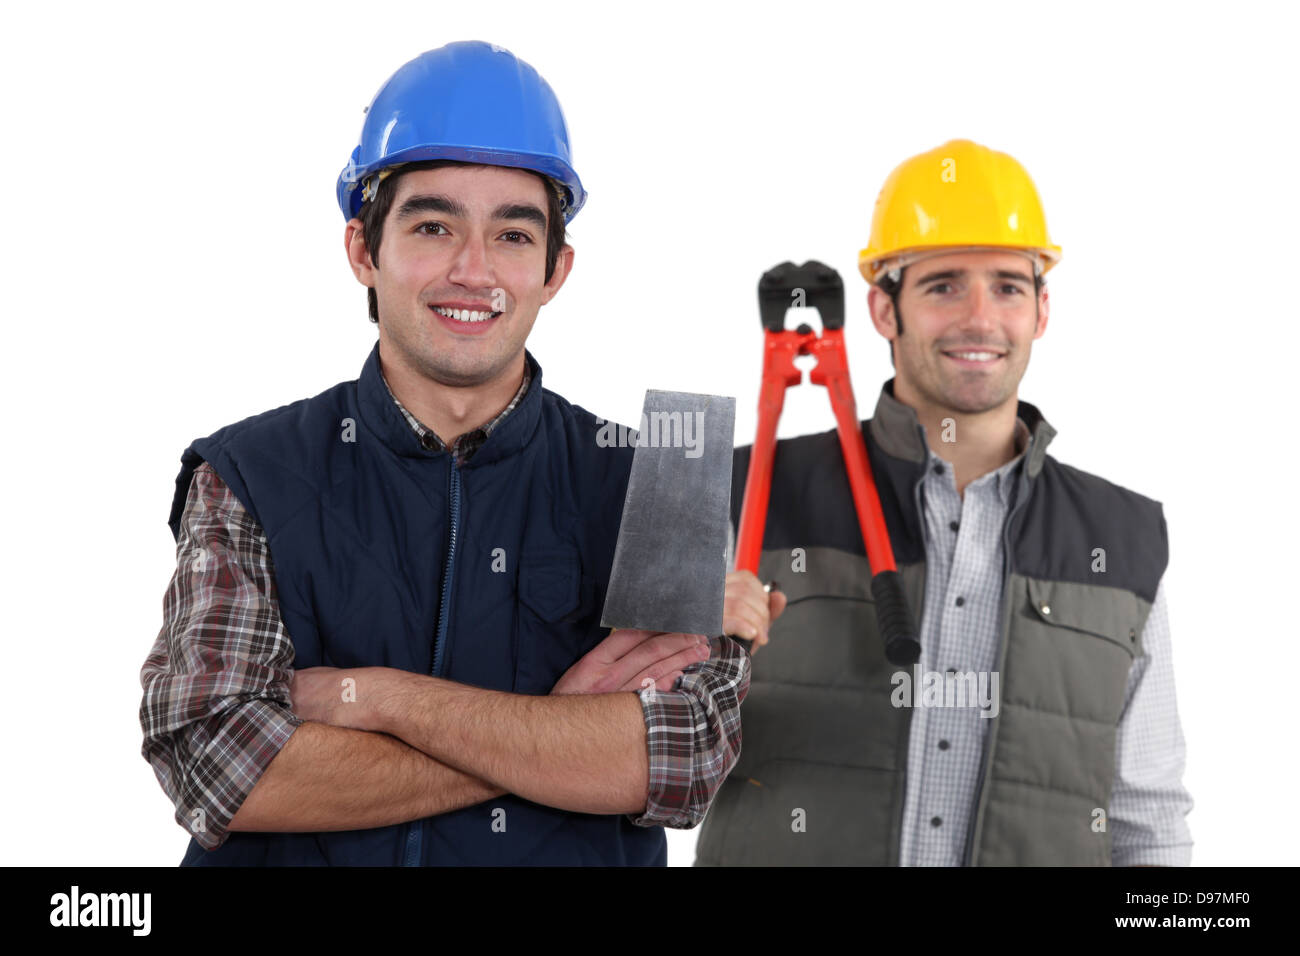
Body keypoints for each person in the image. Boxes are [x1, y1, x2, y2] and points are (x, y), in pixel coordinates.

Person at [138, 40, 767, 866]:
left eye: (512, 233)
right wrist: (558, 727)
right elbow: (224, 770)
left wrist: (379, 700)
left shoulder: (658, 473)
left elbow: (682, 764)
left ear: (556, 269)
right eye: (433, 225)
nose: (475, 270)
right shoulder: (251, 473)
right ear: (364, 249)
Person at [695, 139, 1193, 866]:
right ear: (882, 308)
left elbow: (1146, 821)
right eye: (943, 286)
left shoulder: (1122, 543)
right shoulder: (747, 496)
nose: (979, 319)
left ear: (1042, 310)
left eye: (1008, 286)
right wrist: (692, 662)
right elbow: (650, 769)